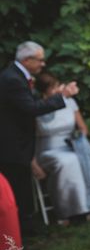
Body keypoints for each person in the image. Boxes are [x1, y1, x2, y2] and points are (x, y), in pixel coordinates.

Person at [0, 41, 77, 236]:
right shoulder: (12, 79)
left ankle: (24, 231)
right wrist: (63, 97)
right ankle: (20, 236)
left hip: (18, 144)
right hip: (12, 146)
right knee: (18, 191)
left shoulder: (16, 75)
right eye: (40, 60)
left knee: (21, 190)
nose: (43, 64)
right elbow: (32, 109)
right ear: (27, 60)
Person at [34, 72, 90, 225]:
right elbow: (29, 139)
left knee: (81, 156)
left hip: (71, 144)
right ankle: (65, 211)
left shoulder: (70, 102)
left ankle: (89, 206)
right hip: (48, 150)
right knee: (67, 162)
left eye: (57, 86)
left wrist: (79, 139)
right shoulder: (37, 109)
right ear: (44, 91)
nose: (57, 90)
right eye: (53, 88)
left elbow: (83, 128)